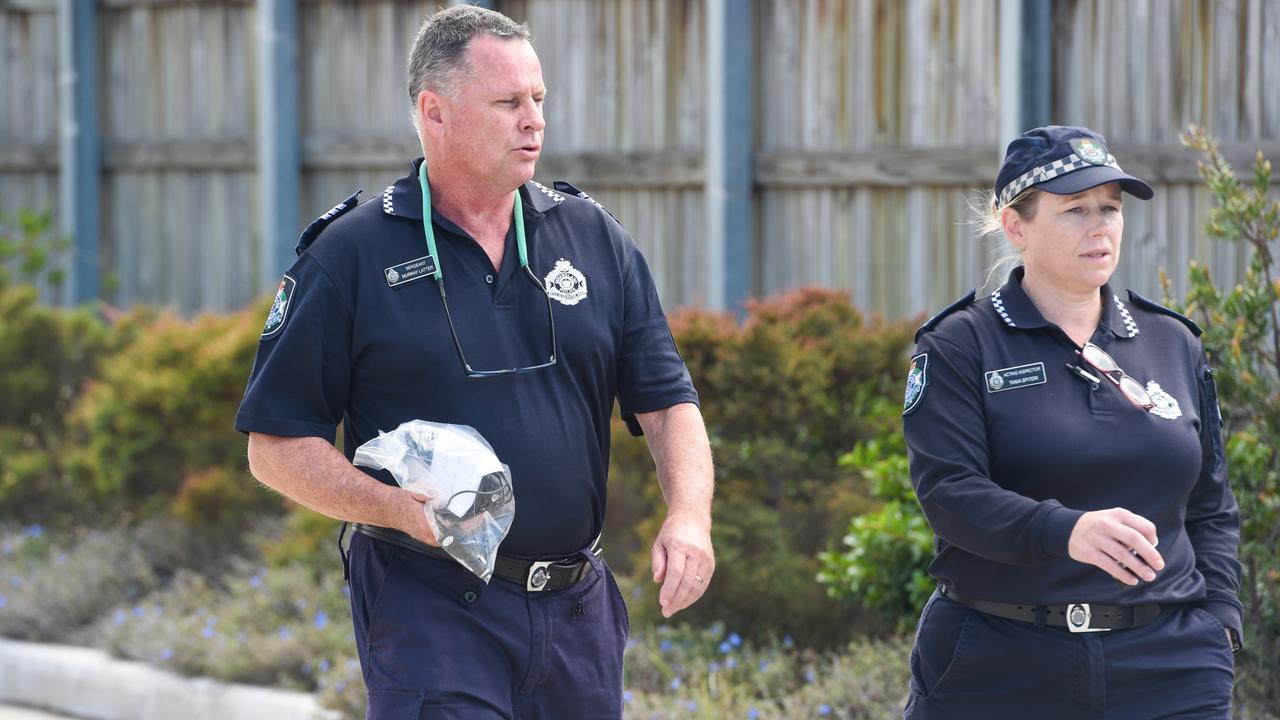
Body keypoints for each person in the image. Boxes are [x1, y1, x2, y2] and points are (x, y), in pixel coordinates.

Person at [235, 6, 715, 717]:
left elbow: (668, 403)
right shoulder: (351, 256)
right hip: (430, 606)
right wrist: (394, 508)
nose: (534, 121)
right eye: (507, 102)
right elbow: (275, 446)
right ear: (436, 112)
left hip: (575, 612)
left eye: (539, 100)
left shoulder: (592, 236)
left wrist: (690, 517)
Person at [901, 125, 1242, 719]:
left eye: (1109, 208)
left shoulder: (1173, 341)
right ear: (1016, 226)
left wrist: (1220, 624)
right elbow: (950, 495)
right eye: (1074, 210)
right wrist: (1066, 531)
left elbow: (1211, 504)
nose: (1099, 226)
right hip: (1000, 665)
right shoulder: (961, 345)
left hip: (1170, 667)